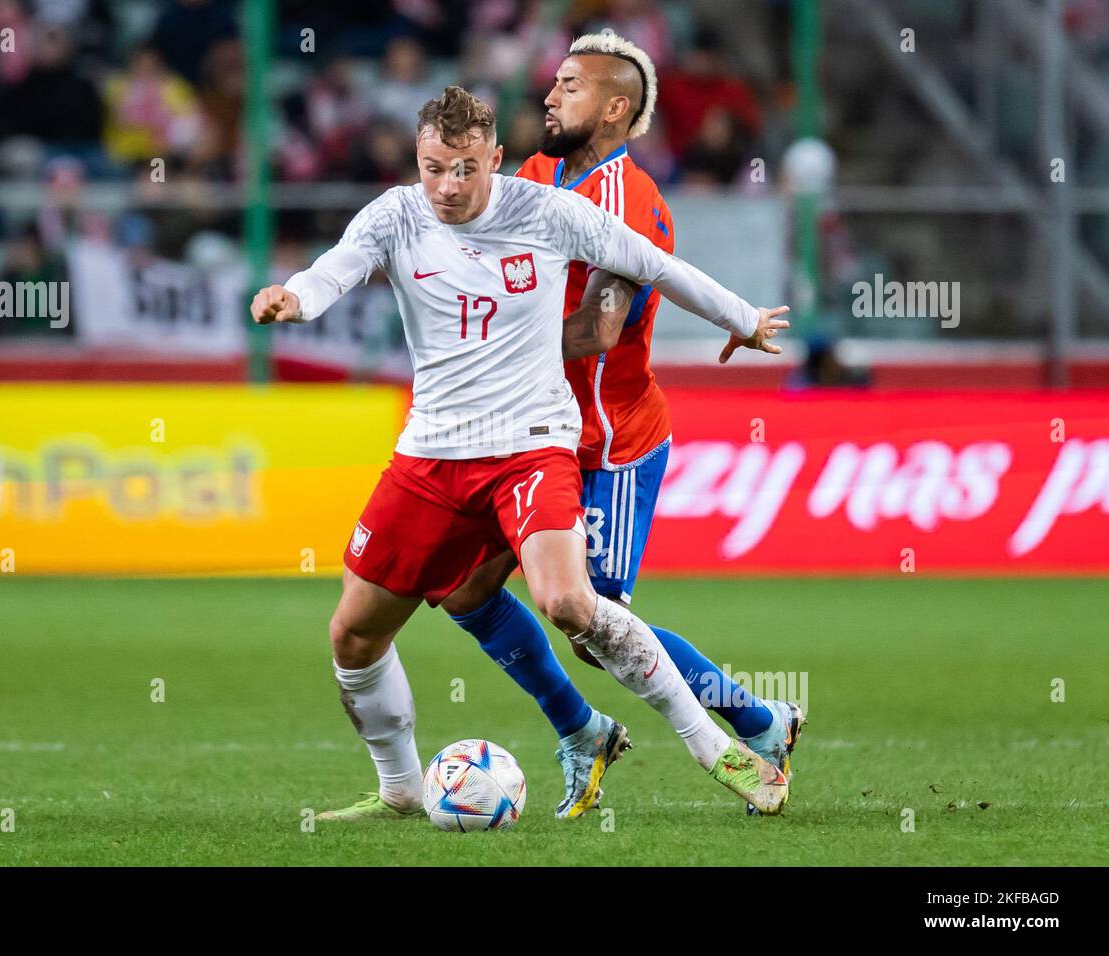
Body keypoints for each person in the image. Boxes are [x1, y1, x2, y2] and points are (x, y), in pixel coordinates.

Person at [250, 86, 791, 823]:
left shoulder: (545, 211)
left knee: (569, 601)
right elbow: (335, 269)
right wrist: (295, 298)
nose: (448, 185)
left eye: (465, 168)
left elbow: (654, 264)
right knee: (354, 632)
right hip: (431, 458)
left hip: (532, 448)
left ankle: (718, 751)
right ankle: (403, 791)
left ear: (495, 160)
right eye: (433, 167)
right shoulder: (396, 214)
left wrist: (744, 318)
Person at [445, 34, 805, 818]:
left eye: (569, 86)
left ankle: (758, 721)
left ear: (614, 109)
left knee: (592, 616)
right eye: (552, 82)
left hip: (610, 442)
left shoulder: (636, 205)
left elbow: (599, 330)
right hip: (531, 433)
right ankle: (582, 731)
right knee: (465, 588)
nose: (549, 96)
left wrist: (480, 335)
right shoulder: (533, 176)